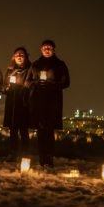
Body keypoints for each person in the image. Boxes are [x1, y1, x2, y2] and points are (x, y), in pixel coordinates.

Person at [28, 39, 70, 168]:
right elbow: (27, 82)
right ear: (41, 49)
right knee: (41, 130)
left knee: (49, 130)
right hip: (38, 100)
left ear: (53, 49)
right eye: (45, 47)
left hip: (53, 101)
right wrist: (35, 84)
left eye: (49, 47)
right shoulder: (35, 64)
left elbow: (66, 83)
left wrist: (51, 85)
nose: (47, 49)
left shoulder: (60, 64)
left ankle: (49, 158)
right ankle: (42, 157)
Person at [3, 47, 31, 161]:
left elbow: (33, 84)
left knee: (24, 130)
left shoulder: (30, 69)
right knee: (13, 130)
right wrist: (7, 87)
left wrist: (27, 87)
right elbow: (4, 86)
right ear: (13, 57)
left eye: (22, 55)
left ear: (26, 57)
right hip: (12, 101)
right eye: (17, 55)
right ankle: (13, 153)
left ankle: (25, 154)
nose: (19, 56)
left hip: (24, 101)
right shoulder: (10, 70)